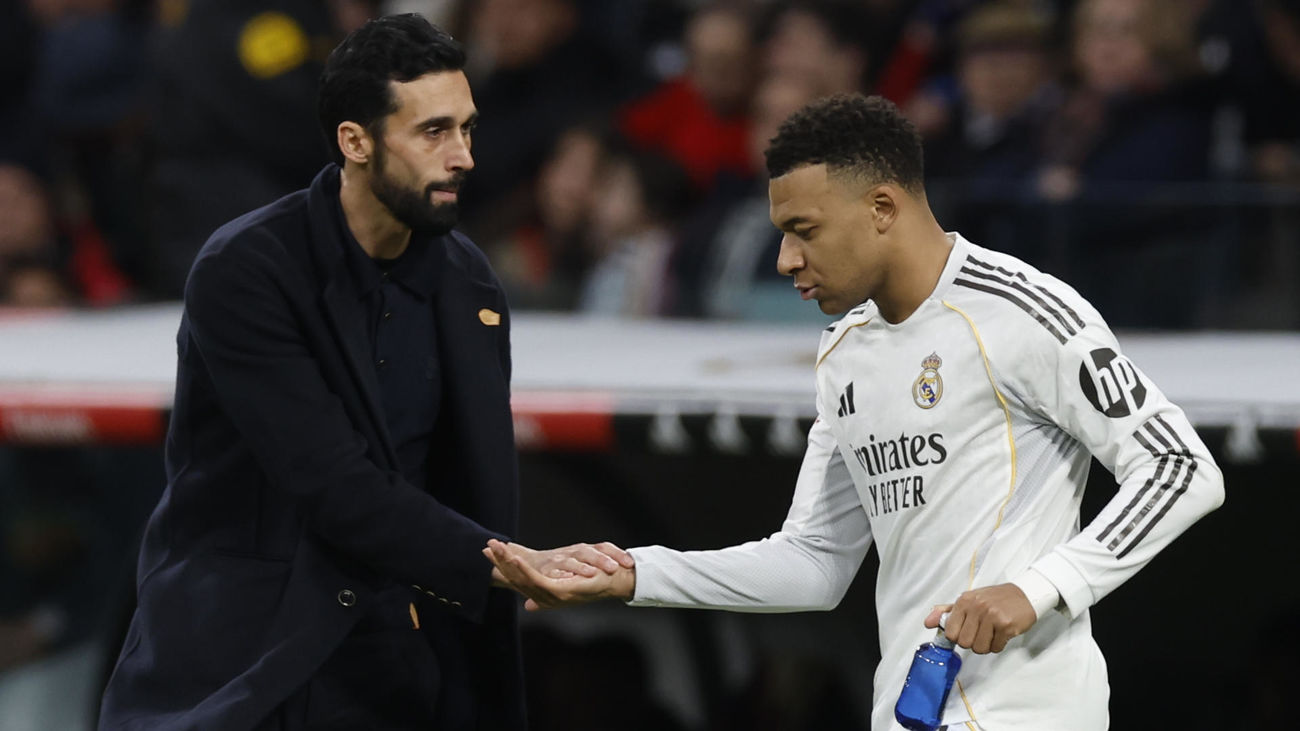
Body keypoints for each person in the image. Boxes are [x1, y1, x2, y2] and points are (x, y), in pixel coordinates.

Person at [486, 94, 1225, 731]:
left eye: (803, 229)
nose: (784, 259)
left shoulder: (1022, 312)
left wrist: (1037, 590)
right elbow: (813, 563)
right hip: (910, 708)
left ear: (881, 208)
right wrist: (630, 574)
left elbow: (1181, 468)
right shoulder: (845, 350)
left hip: (1026, 712)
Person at [97, 14, 629, 730]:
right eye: (434, 132)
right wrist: (504, 564)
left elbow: (471, 482)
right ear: (356, 141)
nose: (464, 155)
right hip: (240, 671)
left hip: (389, 676)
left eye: (468, 129)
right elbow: (332, 483)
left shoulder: (469, 285)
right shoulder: (247, 270)